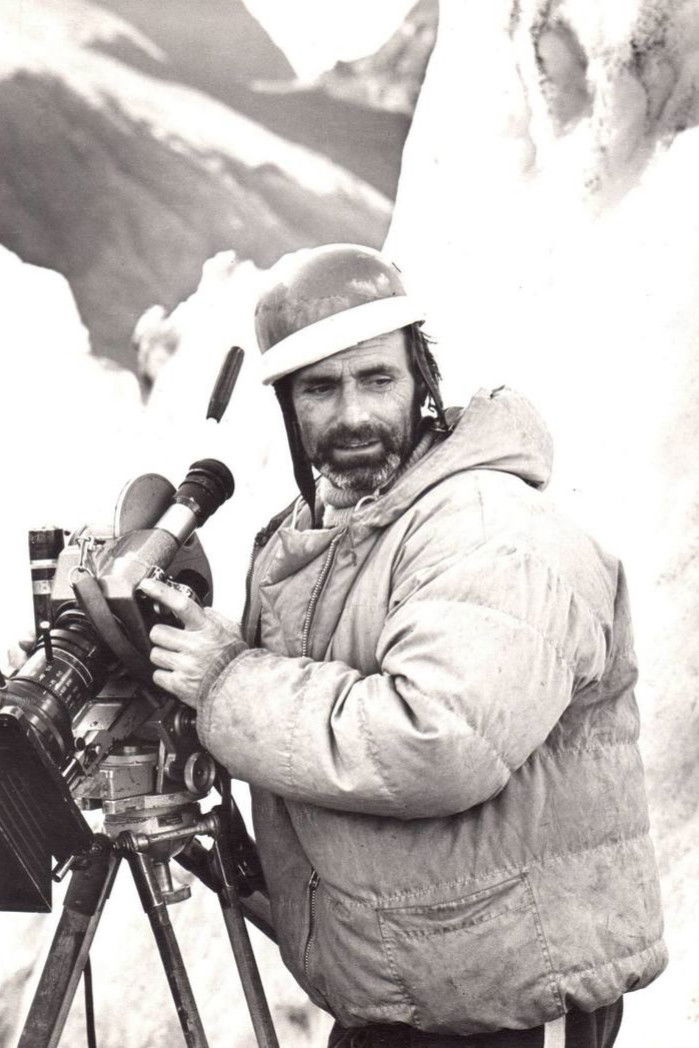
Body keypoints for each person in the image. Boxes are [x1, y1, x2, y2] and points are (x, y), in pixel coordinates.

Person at [140, 243, 667, 1048]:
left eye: (376, 378)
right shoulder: (330, 527)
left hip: (507, 1003)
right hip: (408, 990)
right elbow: (294, 690)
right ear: (287, 404)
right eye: (320, 388)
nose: (352, 413)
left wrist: (225, 683)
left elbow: (435, 742)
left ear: (422, 378)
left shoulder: (489, 529)